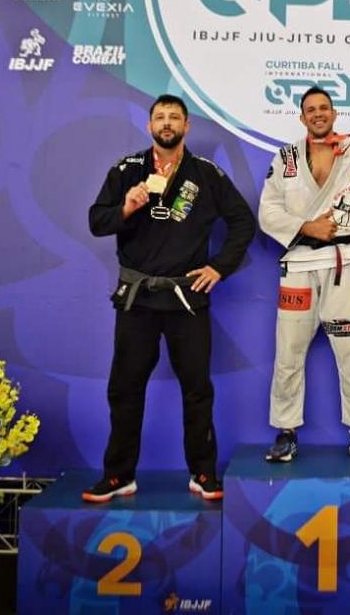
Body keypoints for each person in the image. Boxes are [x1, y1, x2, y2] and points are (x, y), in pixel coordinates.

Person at [83, 94, 255, 503]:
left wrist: (219, 267)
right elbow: (96, 221)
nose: (166, 122)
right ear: (149, 126)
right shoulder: (127, 170)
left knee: (197, 389)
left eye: (174, 117)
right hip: (138, 298)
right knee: (125, 388)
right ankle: (119, 475)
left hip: (186, 297)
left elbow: (243, 222)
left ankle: (203, 472)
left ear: (186, 126)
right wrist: (126, 208)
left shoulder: (206, 174)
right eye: (159, 116)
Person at [259, 86, 350, 462]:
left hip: (343, 264)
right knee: (288, 351)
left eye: (324, 108)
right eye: (311, 109)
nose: (318, 113)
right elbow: (267, 213)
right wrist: (309, 227)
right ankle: (285, 431)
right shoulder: (286, 158)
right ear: (302, 117)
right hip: (298, 266)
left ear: (334, 114)